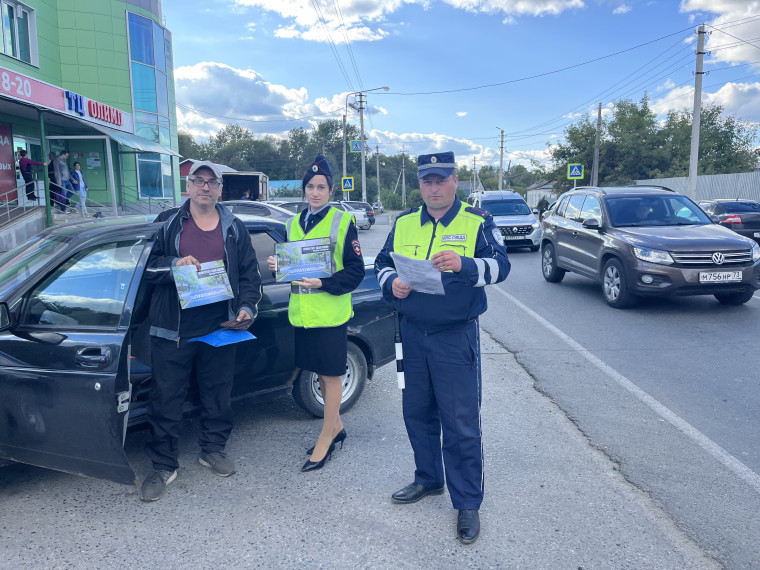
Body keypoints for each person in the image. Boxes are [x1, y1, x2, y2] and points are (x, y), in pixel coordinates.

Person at [374, 151, 510, 545]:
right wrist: (390, 284)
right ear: (420, 185)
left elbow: (501, 266)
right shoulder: (402, 223)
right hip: (411, 333)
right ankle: (428, 479)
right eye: (427, 181)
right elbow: (383, 263)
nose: (433, 188)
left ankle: (467, 502)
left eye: (441, 179)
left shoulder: (478, 221)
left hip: (455, 337)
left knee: (460, 421)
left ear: (455, 181)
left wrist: (465, 264)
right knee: (416, 411)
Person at [139, 160, 262, 502]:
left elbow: (250, 277)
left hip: (221, 327)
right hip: (172, 328)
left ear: (220, 188)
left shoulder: (234, 227)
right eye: (199, 181)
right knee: (166, 398)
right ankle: (164, 465)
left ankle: (214, 449)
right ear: (188, 186)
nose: (205, 187)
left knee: (217, 393)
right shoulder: (167, 223)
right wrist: (173, 264)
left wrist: (246, 307)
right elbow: (145, 267)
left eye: (212, 182)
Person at [266, 155, 364, 472]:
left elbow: (355, 271)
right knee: (319, 374)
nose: (315, 192)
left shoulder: (342, 222)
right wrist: (279, 266)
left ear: (331, 190)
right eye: (310, 186)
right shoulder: (292, 224)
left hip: (331, 314)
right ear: (304, 189)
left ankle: (326, 438)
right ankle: (336, 427)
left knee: (332, 374)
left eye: (321, 187)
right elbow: (294, 265)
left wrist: (325, 282)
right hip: (303, 314)